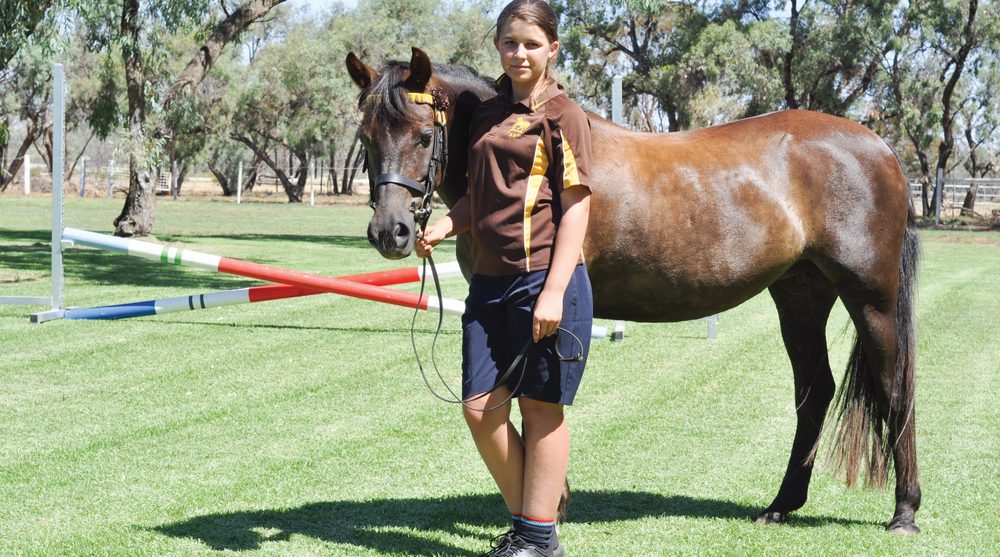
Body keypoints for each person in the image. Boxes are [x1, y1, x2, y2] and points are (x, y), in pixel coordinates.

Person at [415, 1, 593, 556]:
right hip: (488, 284)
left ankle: (535, 539)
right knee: (479, 407)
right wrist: (446, 223)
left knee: (541, 410)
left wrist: (556, 292)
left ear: (553, 49)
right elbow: (480, 195)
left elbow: (577, 207)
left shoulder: (564, 116)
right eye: (511, 43)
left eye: (532, 44)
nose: (520, 53)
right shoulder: (489, 114)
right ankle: (535, 526)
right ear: (497, 47)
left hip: (543, 279)